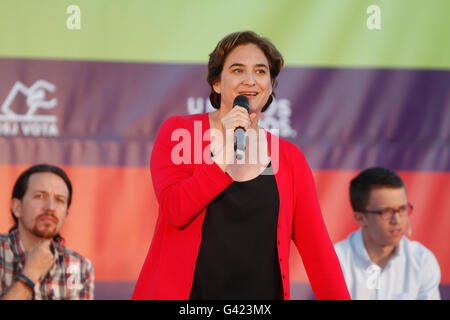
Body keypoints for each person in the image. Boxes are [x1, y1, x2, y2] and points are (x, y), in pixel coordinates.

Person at [132, 31, 350, 300]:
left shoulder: (288, 157)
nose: (250, 80)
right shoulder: (180, 133)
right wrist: (226, 153)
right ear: (216, 83)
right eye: (237, 70)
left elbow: (319, 254)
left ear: (270, 85)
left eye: (261, 72)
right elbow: (175, 209)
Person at [334, 167, 441, 299]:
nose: (397, 220)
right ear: (360, 217)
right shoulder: (336, 260)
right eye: (386, 212)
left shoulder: (422, 260)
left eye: (402, 209)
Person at [0, 164, 94, 300]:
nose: (50, 208)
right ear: (17, 207)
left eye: (59, 200)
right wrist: (29, 274)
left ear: (66, 214)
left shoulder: (77, 266)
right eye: (39, 196)